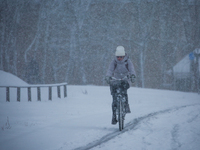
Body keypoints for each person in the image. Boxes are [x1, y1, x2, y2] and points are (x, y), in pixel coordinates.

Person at [105, 46, 136, 125]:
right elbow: (110, 70)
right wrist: (108, 77)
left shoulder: (128, 62)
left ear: (124, 56)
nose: (119, 58)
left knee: (124, 91)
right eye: (117, 57)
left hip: (125, 80)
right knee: (114, 98)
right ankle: (114, 115)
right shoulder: (114, 62)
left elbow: (132, 69)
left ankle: (125, 106)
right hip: (115, 80)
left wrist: (132, 76)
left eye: (120, 57)